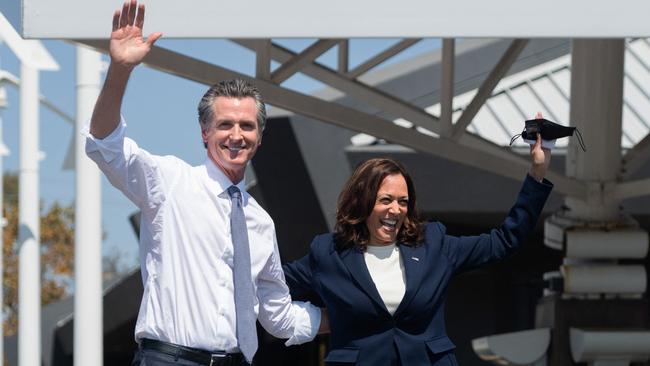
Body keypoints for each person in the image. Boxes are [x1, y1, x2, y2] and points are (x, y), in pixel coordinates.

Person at [84, 1, 322, 365]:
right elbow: (105, 146)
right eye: (225, 124)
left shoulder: (259, 222)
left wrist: (353, 314)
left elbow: (278, 317)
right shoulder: (171, 184)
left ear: (260, 136)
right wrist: (119, 70)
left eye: (247, 126)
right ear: (205, 133)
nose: (236, 135)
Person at [283, 126, 553, 366]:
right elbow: (271, 288)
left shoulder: (433, 244)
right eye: (386, 199)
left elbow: (504, 241)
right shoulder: (328, 253)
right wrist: (315, 319)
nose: (395, 209)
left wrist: (537, 173)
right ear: (362, 203)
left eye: (403, 201)